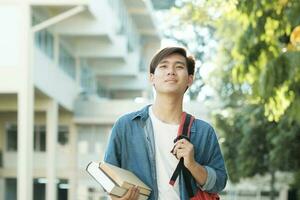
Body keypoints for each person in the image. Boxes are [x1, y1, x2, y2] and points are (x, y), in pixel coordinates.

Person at [104, 47, 227, 200]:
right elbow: (109, 180)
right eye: (164, 66)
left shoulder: (204, 132)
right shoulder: (126, 126)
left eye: (179, 66)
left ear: (190, 79)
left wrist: (193, 165)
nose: (171, 71)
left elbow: (220, 182)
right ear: (151, 78)